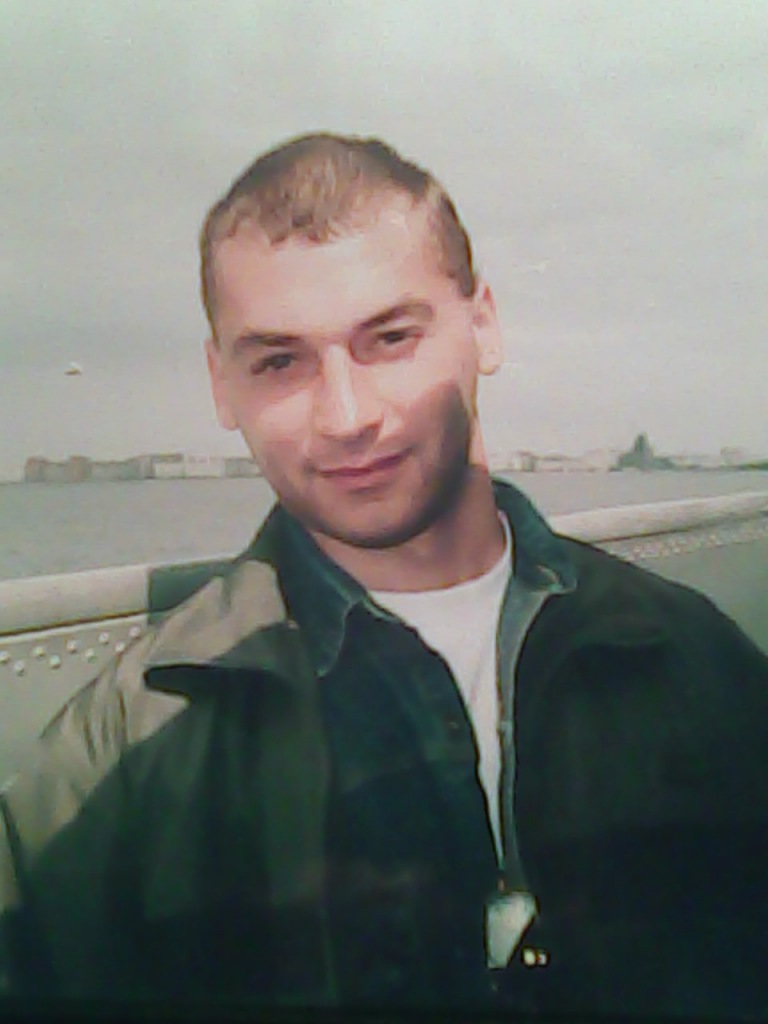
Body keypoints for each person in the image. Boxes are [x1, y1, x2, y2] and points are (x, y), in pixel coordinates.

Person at [1, 133, 768, 1018]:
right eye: (279, 361)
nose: (345, 416)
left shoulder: (697, 659)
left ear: (484, 325)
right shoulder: (126, 751)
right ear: (221, 383)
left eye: (391, 337)